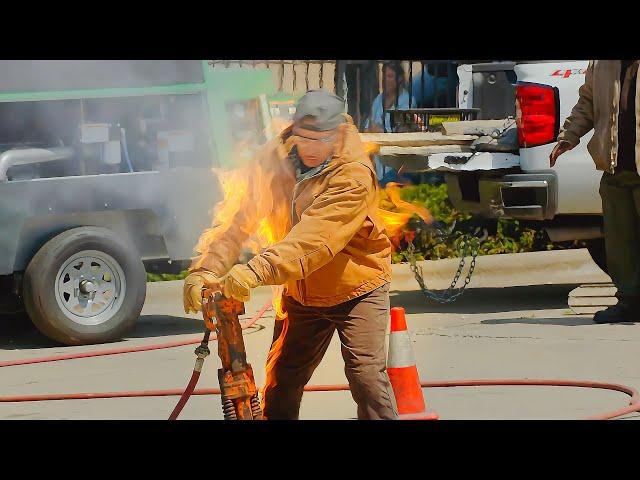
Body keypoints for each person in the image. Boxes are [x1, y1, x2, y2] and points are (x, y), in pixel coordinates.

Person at [183, 89, 399, 419]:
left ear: (337, 133)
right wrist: (207, 267)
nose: (309, 148)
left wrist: (255, 271)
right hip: (302, 291)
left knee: (366, 378)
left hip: (356, 287)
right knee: (281, 380)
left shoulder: (353, 174)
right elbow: (239, 217)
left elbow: (314, 239)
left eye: (319, 140)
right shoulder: (275, 158)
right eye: (303, 138)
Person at [550, 60, 640, 324]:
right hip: (615, 167)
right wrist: (568, 136)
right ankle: (630, 301)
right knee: (620, 242)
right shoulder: (602, 63)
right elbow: (587, 102)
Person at [364, 62, 417, 182]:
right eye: (384, 76)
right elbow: (367, 129)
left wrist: (380, 131)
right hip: (378, 168)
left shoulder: (406, 100)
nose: (385, 80)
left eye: (389, 76)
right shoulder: (378, 99)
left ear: (399, 79)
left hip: (396, 167)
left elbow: (403, 132)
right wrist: (380, 131)